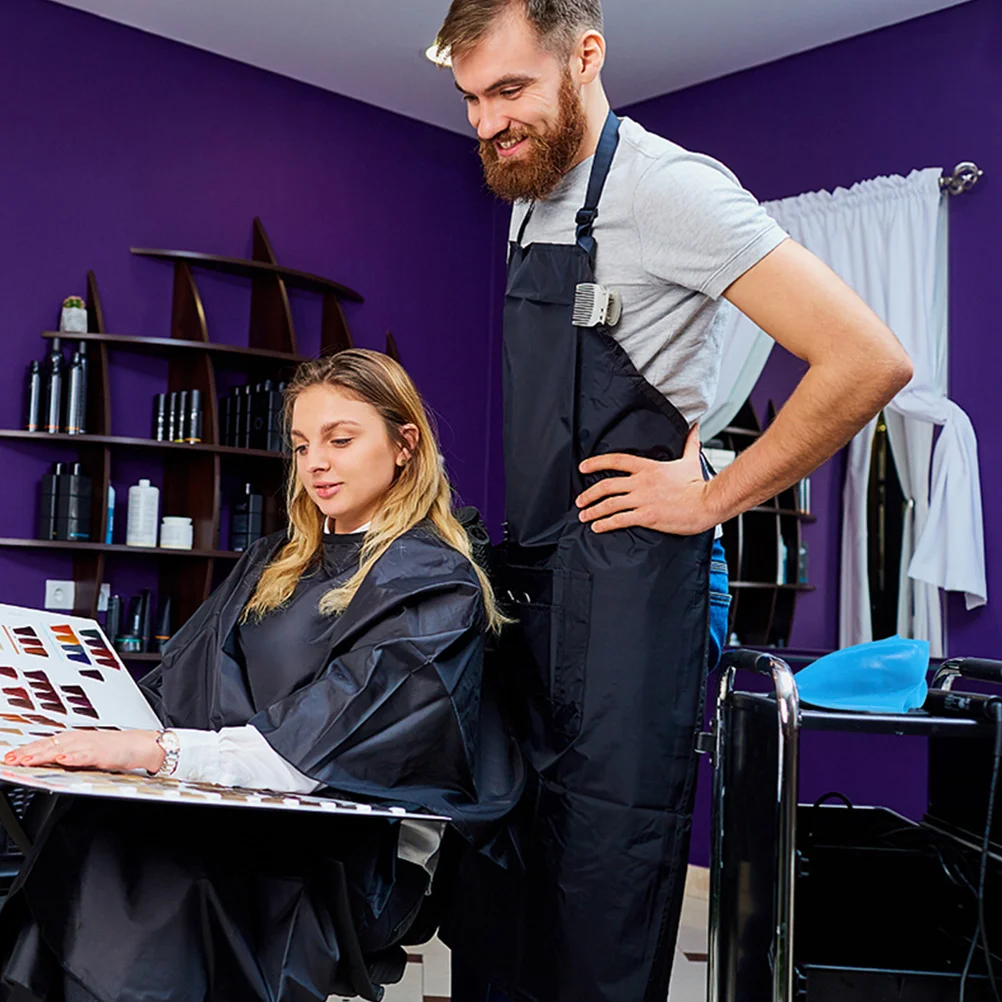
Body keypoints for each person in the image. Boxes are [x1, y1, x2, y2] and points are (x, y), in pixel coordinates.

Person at [434, 2, 914, 1001]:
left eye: (510, 91)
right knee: (504, 877)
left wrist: (712, 501)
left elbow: (868, 360)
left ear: (586, 56)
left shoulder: (670, 190)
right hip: (538, 589)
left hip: (629, 601)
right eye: (471, 98)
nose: (486, 123)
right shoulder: (530, 194)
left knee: (602, 892)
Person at [0, 349, 522, 1002]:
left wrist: (155, 751)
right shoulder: (272, 560)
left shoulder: (431, 585)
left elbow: (325, 744)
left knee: (131, 866)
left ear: (404, 445)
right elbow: (174, 684)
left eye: (340, 439)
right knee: (81, 822)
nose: (317, 464)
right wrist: (68, 729)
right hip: (209, 804)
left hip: (326, 851)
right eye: (302, 446)